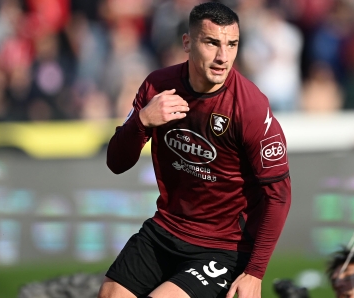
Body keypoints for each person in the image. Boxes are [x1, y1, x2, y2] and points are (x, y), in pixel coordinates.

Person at [98, 2, 291, 298]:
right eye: (212, 43)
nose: (222, 57)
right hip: (166, 229)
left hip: (223, 245)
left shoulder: (250, 107)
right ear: (188, 43)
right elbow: (116, 162)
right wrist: (142, 121)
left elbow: (279, 196)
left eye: (232, 44)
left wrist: (254, 273)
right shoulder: (157, 86)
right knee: (110, 294)